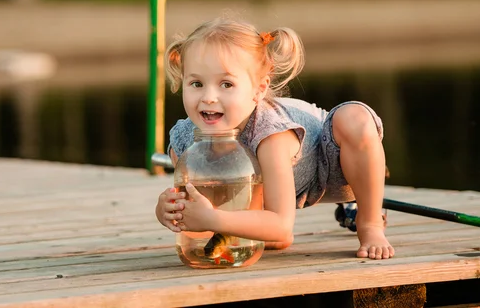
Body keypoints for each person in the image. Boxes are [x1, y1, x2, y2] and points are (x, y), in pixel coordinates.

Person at [155, 17, 394, 260]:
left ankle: (370, 223)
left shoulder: (271, 135)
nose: (208, 97)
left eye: (226, 84)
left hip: (333, 166)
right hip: (274, 200)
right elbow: (210, 213)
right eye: (196, 83)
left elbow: (280, 223)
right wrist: (168, 210)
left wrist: (217, 219)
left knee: (353, 118)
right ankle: (266, 232)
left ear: (258, 90)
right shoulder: (185, 143)